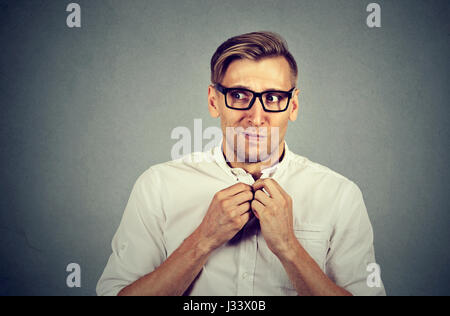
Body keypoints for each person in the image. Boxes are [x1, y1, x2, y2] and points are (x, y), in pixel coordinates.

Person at [96, 31, 386, 296]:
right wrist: (202, 240)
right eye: (239, 95)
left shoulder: (340, 196)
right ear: (214, 101)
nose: (256, 117)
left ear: (293, 106)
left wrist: (289, 248)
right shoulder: (158, 186)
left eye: (273, 98)